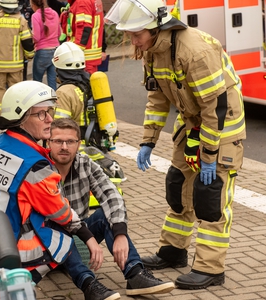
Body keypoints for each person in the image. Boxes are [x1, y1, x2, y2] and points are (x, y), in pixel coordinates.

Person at [105, 0, 246, 290]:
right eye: (130, 34)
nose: (132, 40)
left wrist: (209, 155)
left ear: (156, 26)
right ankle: (173, 251)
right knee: (179, 189)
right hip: (191, 123)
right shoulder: (154, 51)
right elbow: (157, 98)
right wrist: (148, 139)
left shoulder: (194, 50)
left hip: (221, 127)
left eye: (136, 34)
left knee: (211, 199)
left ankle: (210, 269)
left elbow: (214, 108)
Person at [0, 81, 110, 296]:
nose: (50, 119)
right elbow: (60, 211)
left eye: (49, 112)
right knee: (59, 237)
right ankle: (19, 282)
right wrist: (88, 236)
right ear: (21, 118)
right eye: (41, 114)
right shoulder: (34, 164)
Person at [49, 118, 175, 298]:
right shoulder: (41, 168)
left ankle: (135, 274)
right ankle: (89, 285)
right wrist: (89, 239)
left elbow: (112, 195)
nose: (64, 146)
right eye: (58, 141)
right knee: (57, 229)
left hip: (79, 236)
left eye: (70, 141)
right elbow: (59, 213)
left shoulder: (84, 163)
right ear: (48, 142)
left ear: (78, 144)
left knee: (105, 215)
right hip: (48, 245)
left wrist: (120, 232)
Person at [0, 0, 35, 116]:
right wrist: (30, 55)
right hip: (16, 65)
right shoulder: (21, 20)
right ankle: (15, 114)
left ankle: (0, 114)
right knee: (15, 91)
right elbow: (27, 42)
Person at [61, 0, 104, 74]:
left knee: (82, 84)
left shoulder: (82, 2)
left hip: (82, 58)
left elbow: (84, 29)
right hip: (89, 55)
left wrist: (76, 53)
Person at [30, 0, 61, 90]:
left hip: (42, 51)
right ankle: (53, 101)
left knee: (37, 82)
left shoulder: (35, 16)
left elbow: (36, 37)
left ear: (33, 4)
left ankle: (39, 102)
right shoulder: (55, 13)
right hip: (56, 50)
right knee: (52, 81)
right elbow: (59, 33)